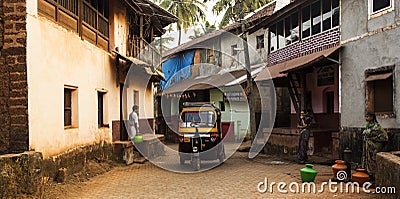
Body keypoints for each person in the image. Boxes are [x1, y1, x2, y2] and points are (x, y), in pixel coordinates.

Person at [362, 112, 388, 179]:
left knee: (372, 159)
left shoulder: (376, 126)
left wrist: (372, 140)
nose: (366, 118)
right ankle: (367, 172)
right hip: (368, 146)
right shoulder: (368, 125)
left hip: (374, 146)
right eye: (366, 117)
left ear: (372, 117)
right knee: (367, 158)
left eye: (368, 117)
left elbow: (383, 137)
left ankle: (372, 173)